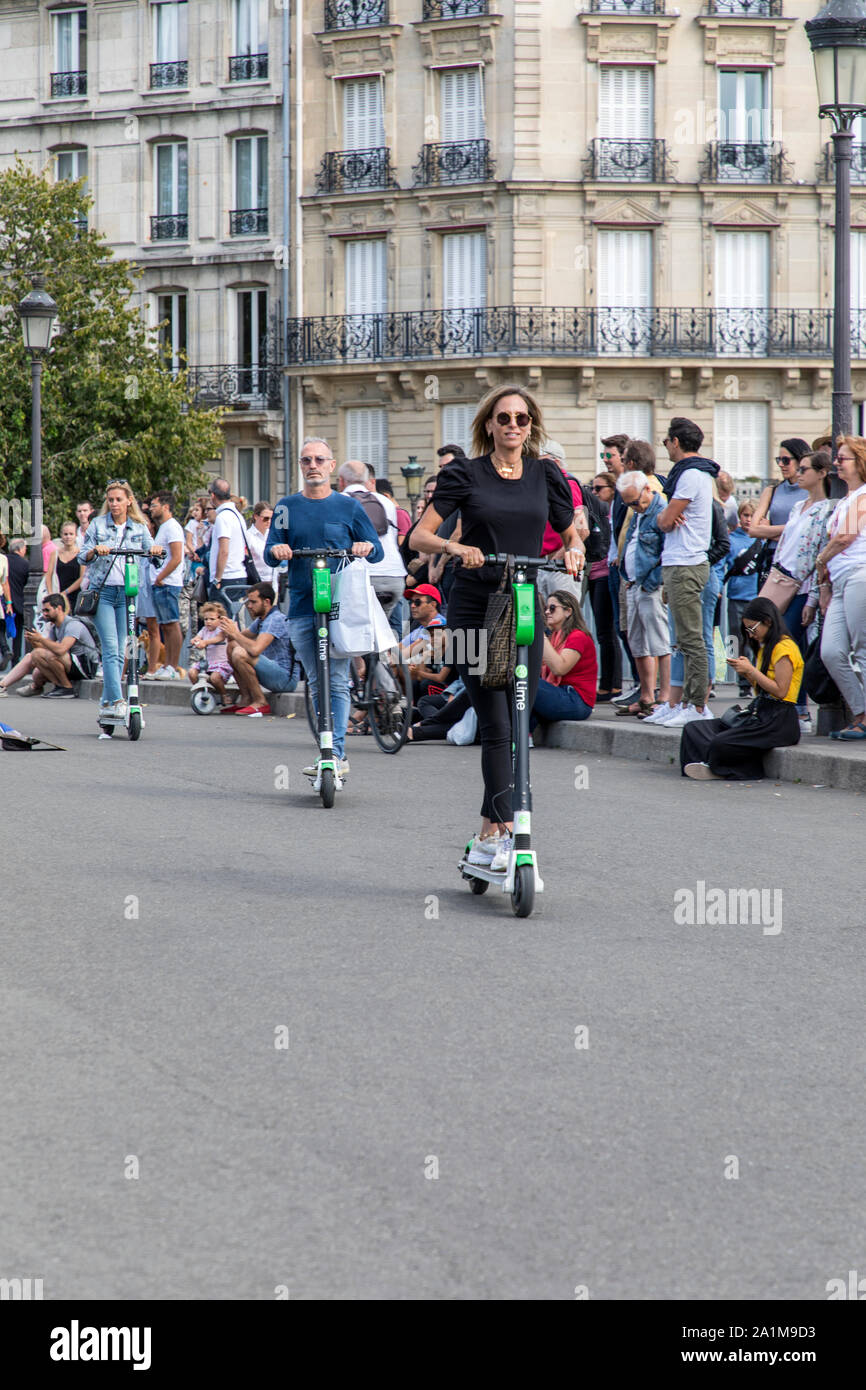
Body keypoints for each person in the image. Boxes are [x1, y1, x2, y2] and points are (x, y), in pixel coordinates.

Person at [411, 382, 582, 871]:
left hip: (522, 604)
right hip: (475, 609)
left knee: (516, 723)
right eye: (503, 418)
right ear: (489, 424)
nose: (512, 426)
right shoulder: (466, 474)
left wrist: (573, 549)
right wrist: (453, 548)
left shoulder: (546, 475)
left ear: (531, 426)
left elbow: (572, 534)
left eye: (521, 419)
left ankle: (488, 831)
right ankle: (506, 830)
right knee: (497, 723)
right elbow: (417, 535)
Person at [264, 436, 384, 777]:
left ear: (332, 467)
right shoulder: (287, 507)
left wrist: (362, 547)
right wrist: (277, 552)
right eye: (306, 461)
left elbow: (377, 550)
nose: (312, 465)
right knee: (317, 682)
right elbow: (269, 549)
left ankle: (337, 753)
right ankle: (326, 749)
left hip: (341, 606)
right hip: (302, 605)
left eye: (319, 460)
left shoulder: (348, 507)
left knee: (337, 679)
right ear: (301, 467)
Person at [680, 597, 802, 780]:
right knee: (693, 729)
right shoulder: (765, 647)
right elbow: (762, 690)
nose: (751, 634)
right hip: (760, 711)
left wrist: (752, 671)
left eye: (752, 628)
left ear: (768, 622)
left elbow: (780, 691)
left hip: (779, 720)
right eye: (747, 630)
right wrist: (747, 674)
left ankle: (718, 767)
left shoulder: (785, 648)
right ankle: (707, 764)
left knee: (721, 742)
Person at [78, 480, 163, 722]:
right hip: (103, 592)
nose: (114, 504)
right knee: (113, 648)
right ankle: (117, 700)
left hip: (128, 593)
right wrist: (96, 550)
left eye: (118, 499)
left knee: (125, 648)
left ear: (129, 501)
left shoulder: (138, 526)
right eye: (110, 500)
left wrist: (156, 551)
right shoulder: (97, 524)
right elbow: (82, 556)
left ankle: (107, 702)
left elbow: (153, 553)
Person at [763, 449, 834, 732]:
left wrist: (814, 598)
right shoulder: (797, 507)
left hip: (804, 586)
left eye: (804, 469)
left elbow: (821, 554)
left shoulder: (828, 508)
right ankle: (786, 704)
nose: (799, 473)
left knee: (790, 644)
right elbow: (784, 546)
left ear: (821, 473)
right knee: (779, 642)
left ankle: (800, 709)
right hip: (783, 580)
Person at [655, 417, 718, 727]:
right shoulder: (693, 475)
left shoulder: (691, 475)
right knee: (683, 640)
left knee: (692, 640)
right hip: (678, 564)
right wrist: (667, 516)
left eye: (666, 441)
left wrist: (666, 517)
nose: (665, 446)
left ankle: (696, 707)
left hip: (686, 564)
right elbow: (667, 518)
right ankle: (685, 704)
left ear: (676, 442)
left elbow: (665, 522)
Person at [816, 436, 866, 740]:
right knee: (832, 651)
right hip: (839, 580)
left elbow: (845, 536)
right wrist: (824, 583)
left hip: (860, 574)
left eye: (842, 458)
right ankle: (860, 712)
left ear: (859, 462)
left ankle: (863, 718)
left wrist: (821, 559)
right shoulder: (847, 500)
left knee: (863, 649)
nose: (836, 462)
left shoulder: (864, 496)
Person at [614, 470, 671, 719]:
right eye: (628, 504)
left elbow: (667, 551)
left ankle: (665, 697)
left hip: (649, 585)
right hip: (634, 583)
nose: (634, 507)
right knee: (637, 642)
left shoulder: (660, 509)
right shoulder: (638, 511)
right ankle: (646, 696)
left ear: (647, 489)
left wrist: (651, 581)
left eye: (635, 502)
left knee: (659, 642)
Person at [216, 581, 299, 716]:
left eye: (253, 602)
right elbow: (236, 639)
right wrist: (227, 629)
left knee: (239, 653)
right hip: (271, 672)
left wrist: (235, 633)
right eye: (248, 602)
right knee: (232, 647)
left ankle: (261, 701)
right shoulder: (262, 619)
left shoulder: (275, 619)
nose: (249, 606)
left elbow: (255, 650)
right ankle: (246, 699)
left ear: (266, 602)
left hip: (285, 680)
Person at [337, 460, 406, 619]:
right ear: (367, 479)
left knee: (359, 630)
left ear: (341, 480)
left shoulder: (338, 500)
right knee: (384, 630)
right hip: (393, 576)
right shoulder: (385, 501)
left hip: (362, 576)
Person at [4, 592, 97, 698]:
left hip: (86, 667)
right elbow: (43, 651)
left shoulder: (73, 625)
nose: (44, 614)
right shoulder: (55, 627)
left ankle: (66, 688)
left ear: (59, 608)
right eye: (43, 611)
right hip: (71, 664)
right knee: (36, 672)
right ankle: (8, 686)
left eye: (47, 610)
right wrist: (34, 640)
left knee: (44, 654)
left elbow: (61, 650)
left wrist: (41, 639)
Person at [531, 590, 597, 729]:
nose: (547, 612)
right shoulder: (554, 637)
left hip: (576, 701)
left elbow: (560, 668)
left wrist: (539, 634)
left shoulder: (578, 636)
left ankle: (522, 736)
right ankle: (520, 736)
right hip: (561, 694)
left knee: (525, 683)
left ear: (568, 611)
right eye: (546, 609)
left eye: (552, 608)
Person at [748, 439, 810, 578]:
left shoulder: (811, 491)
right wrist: (792, 530)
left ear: (801, 460)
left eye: (786, 460)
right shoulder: (772, 491)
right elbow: (753, 530)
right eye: (779, 460)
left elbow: (807, 530)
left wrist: (768, 530)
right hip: (773, 559)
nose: (781, 465)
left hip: (798, 560)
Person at [587, 472, 620, 700]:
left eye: (599, 488)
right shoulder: (596, 513)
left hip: (606, 573)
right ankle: (607, 684)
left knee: (608, 632)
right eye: (592, 488)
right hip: (593, 573)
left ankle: (613, 685)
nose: (594, 492)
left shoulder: (615, 512)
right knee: (602, 632)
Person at [723, 501, 760, 696]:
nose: (748, 519)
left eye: (751, 515)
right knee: (736, 640)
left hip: (756, 598)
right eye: (745, 515)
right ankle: (742, 683)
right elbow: (723, 565)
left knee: (756, 640)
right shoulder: (731, 540)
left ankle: (756, 679)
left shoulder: (761, 539)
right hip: (736, 596)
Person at [148, 491, 186, 679]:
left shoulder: (172, 527)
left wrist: (160, 577)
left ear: (165, 507)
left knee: (172, 624)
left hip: (168, 583)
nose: (151, 509)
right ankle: (167, 665)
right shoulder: (163, 527)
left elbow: (177, 557)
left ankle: (173, 666)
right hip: (161, 583)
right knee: (165, 625)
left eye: (154, 505)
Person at [208, 478, 250, 614]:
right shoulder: (237, 515)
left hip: (226, 577)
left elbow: (224, 550)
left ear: (213, 495)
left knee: (220, 621)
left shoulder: (223, 517)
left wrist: (217, 579)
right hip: (238, 574)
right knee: (231, 619)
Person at [189, 602, 235, 705]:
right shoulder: (204, 630)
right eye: (206, 619)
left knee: (215, 678)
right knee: (192, 672)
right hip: (208, 663)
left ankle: (224, 695)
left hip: (221, 663)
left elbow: (219, 638)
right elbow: (198, 637)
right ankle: (201, 692)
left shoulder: (221, 629)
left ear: (220, 619)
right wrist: (194, 640)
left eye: (212, 619)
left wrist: (205, 642)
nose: (208, 622)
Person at [46, 522, 85, 614]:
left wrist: (66, 592)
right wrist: (51, 593)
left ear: (76, 536)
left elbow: (82, 578)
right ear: (61, 536)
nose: (68, 537)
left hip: (76, 595)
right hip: (58, 594)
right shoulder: (55, 554)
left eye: (71, 534)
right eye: (65, 534)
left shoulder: (81, 554)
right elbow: (49, 575)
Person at [246, 501, 278, 586]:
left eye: (272, 518)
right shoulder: (248, 536)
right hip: (256, 583)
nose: (269, 521)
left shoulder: (272, 534)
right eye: (266, 518)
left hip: (273, 582)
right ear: (256, 516)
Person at [7, 538, 29, 662]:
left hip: (4, 602)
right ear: (20, 549)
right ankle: (16, 658)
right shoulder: (25, 564)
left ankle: (5, 651)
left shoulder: (4, 560)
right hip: (19, 603)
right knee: (18, 633)